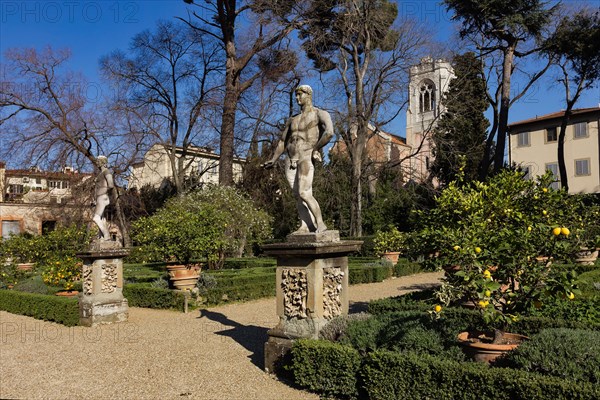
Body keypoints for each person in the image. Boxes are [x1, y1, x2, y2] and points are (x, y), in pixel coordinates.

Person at [263, 84, 334, 234]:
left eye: (300, 94)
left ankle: (320, 223)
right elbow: (283, 141)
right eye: (296, 95)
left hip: (306, 156)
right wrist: (274, 159)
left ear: (308, 95)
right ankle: (306, 225)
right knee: (297, 196)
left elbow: (329, 132)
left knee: (304, 192)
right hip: (290, 159)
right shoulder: (292, 120)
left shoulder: (319, 114)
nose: (297, 98)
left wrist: (315, 148)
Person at [93, 156, 114, 240]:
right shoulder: (100, 174)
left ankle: (106, 235)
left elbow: (111, 185)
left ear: (103, 162)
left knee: (96, 218)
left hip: (102, 197)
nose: (97, 163)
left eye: (98, 161)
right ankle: (101, 237)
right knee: (102, 218)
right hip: (99, 198)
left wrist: (104, 192)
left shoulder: (106, 171)